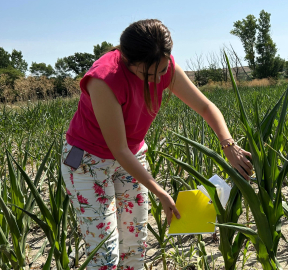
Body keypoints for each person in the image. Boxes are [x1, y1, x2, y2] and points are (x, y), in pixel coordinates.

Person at [61, 19, 253, 270]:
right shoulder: (104, 79)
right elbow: (118, 149)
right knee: (104, 255)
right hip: (88, 162)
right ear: (129, 62)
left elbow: (206, 107)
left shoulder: (163, 65)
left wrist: (229, 145)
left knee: (134, 246)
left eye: (162, 71)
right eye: (149, 75)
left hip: (131, 156)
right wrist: (160, 192)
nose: (157, 80)